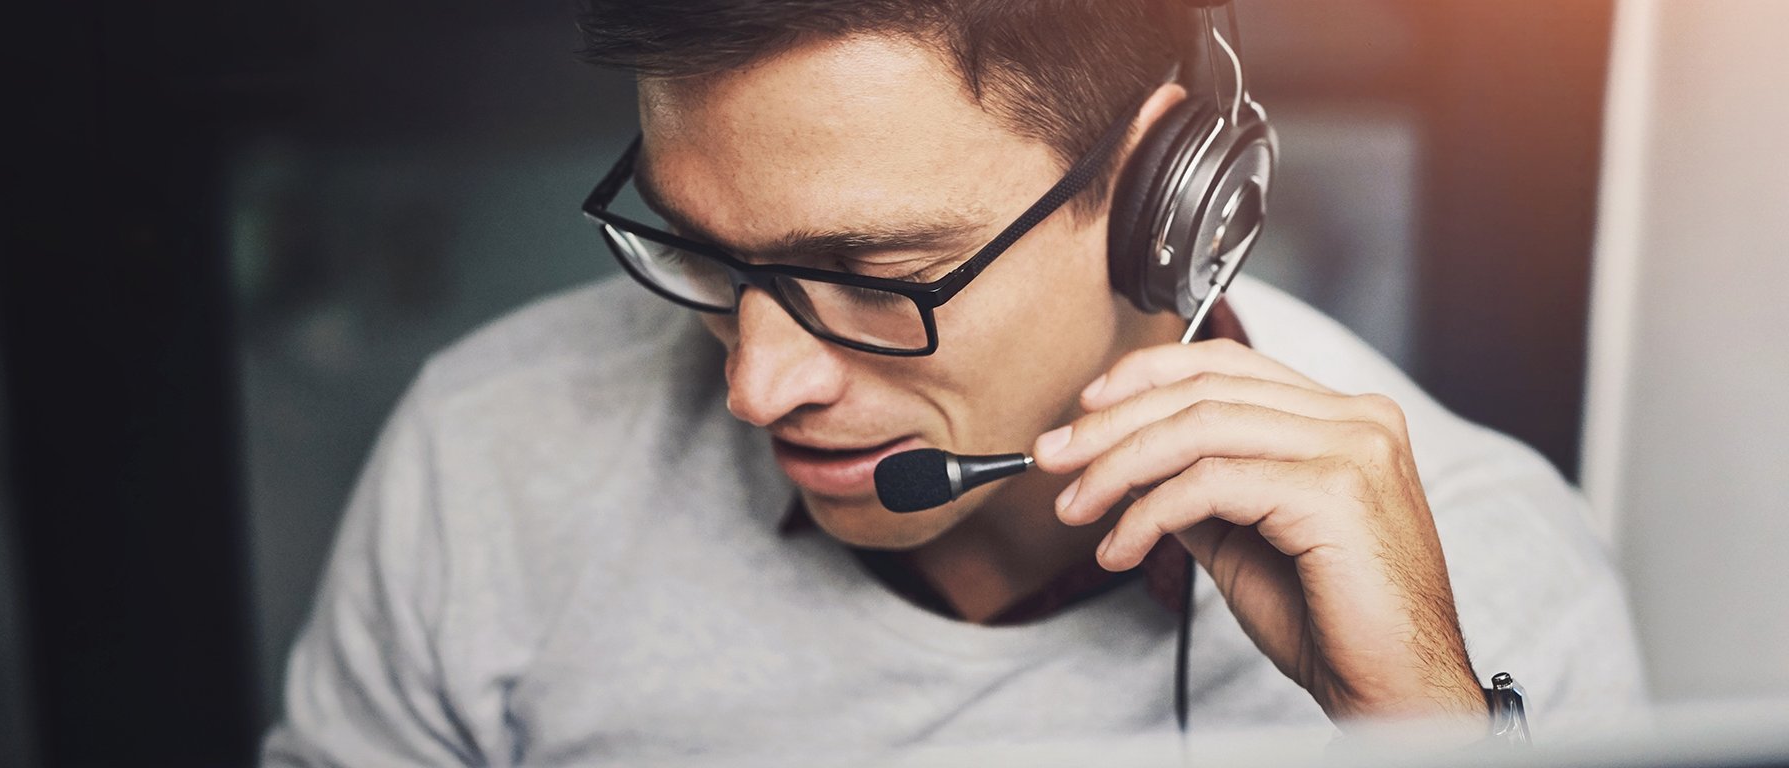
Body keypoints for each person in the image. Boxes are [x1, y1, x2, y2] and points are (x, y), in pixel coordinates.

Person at [262, 1, 1644, 764]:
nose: (757, 384)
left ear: (1162, 196)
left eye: (875, 274)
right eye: (699, 246)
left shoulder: (1485, 579)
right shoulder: (486, 457)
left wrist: (1424, 738)